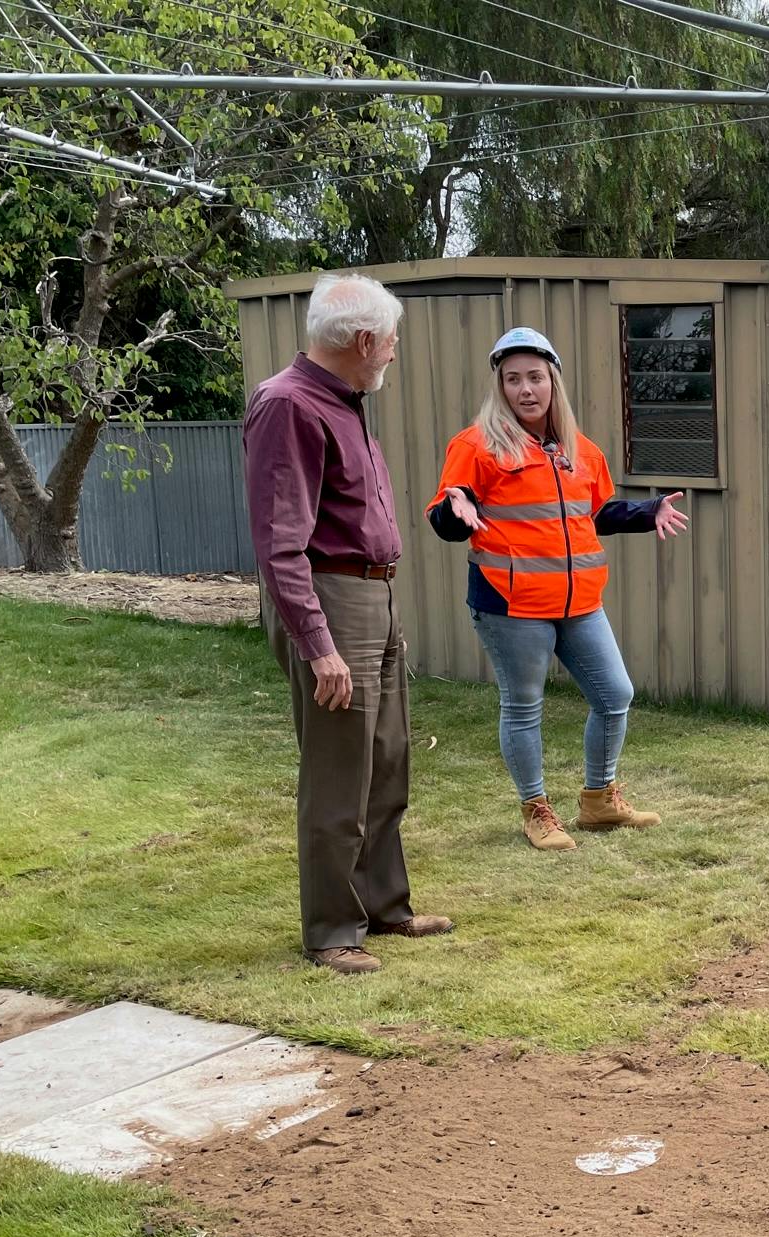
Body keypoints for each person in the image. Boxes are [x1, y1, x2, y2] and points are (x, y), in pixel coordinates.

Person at [244, 272, 453, 974]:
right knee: (339, 771)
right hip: (330, 602)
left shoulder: (345, 398)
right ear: (364, 340)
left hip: (375, 596)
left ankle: (384, 906)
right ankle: (333, 930)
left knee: (387, 760)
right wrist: (318, 646)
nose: (394, 352)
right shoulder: (288, 405)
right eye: (391, 340)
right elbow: (280, 540)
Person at [425, 327, 689, 850]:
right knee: (523, 705)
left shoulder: (580, 450)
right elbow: (447, 513)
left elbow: (595, 512)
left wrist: (647, 510)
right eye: (513, 379)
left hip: (579, 603)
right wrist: (456, 513)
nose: (526, 389)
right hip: (510, 602)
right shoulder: (475, 446)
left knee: (615, 695)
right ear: (498, 386)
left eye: (536, 378)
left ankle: (599, 800)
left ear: (554, 382)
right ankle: (536, 809)